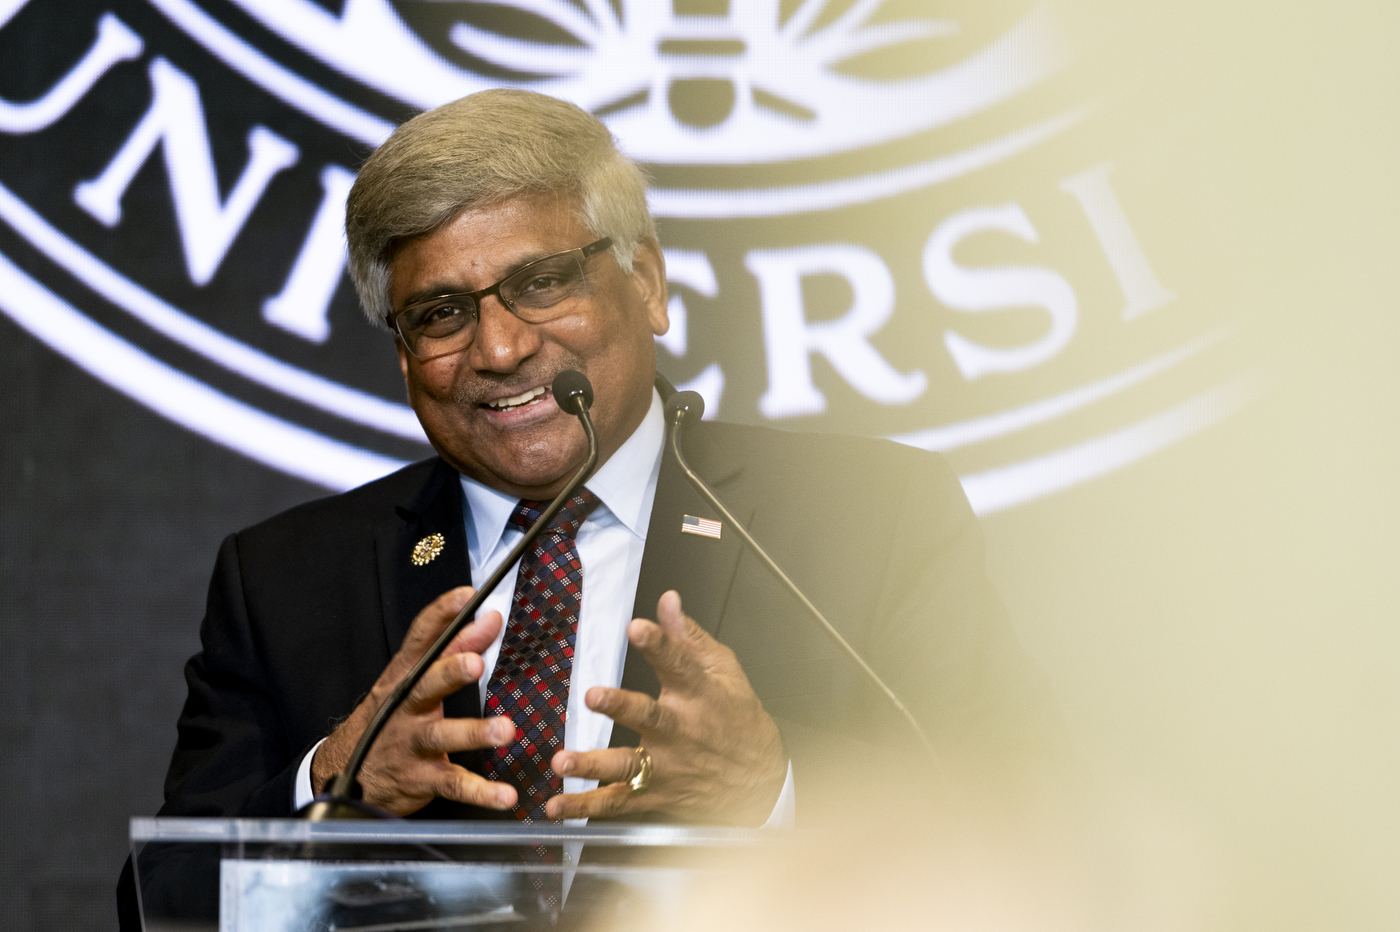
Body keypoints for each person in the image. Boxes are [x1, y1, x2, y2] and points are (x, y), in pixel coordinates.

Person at [119, 87, 1060, 926]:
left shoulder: (868, 517)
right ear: (404, 357)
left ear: (645, 282)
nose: (496, 349)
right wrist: (333, 782)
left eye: (539, 283)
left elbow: (1036, 832)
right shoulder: (285, 577)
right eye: (442, 313)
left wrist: (775, 792)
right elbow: (159, 906)